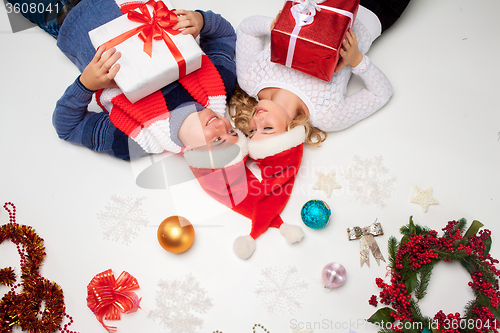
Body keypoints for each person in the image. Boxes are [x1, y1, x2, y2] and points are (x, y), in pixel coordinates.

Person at [8, 0, 238, 160]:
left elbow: (67, 127)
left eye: (217, 140)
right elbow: (224, 34)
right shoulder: (220, 84)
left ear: (191, 153)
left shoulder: (133, 141)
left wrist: (86, 85)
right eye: (232, 132)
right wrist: (201, 20)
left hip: (63, 16)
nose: (223, 125)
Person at [230, 0, 411, 145]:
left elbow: (247, 29)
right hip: (375, 8)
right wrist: (356, 60)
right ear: (289, 133)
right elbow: (381, 93)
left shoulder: (251, 79)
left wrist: (274, 25)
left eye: (252, 130)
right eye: (267, 129)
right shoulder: (327, 115)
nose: (257, 121)